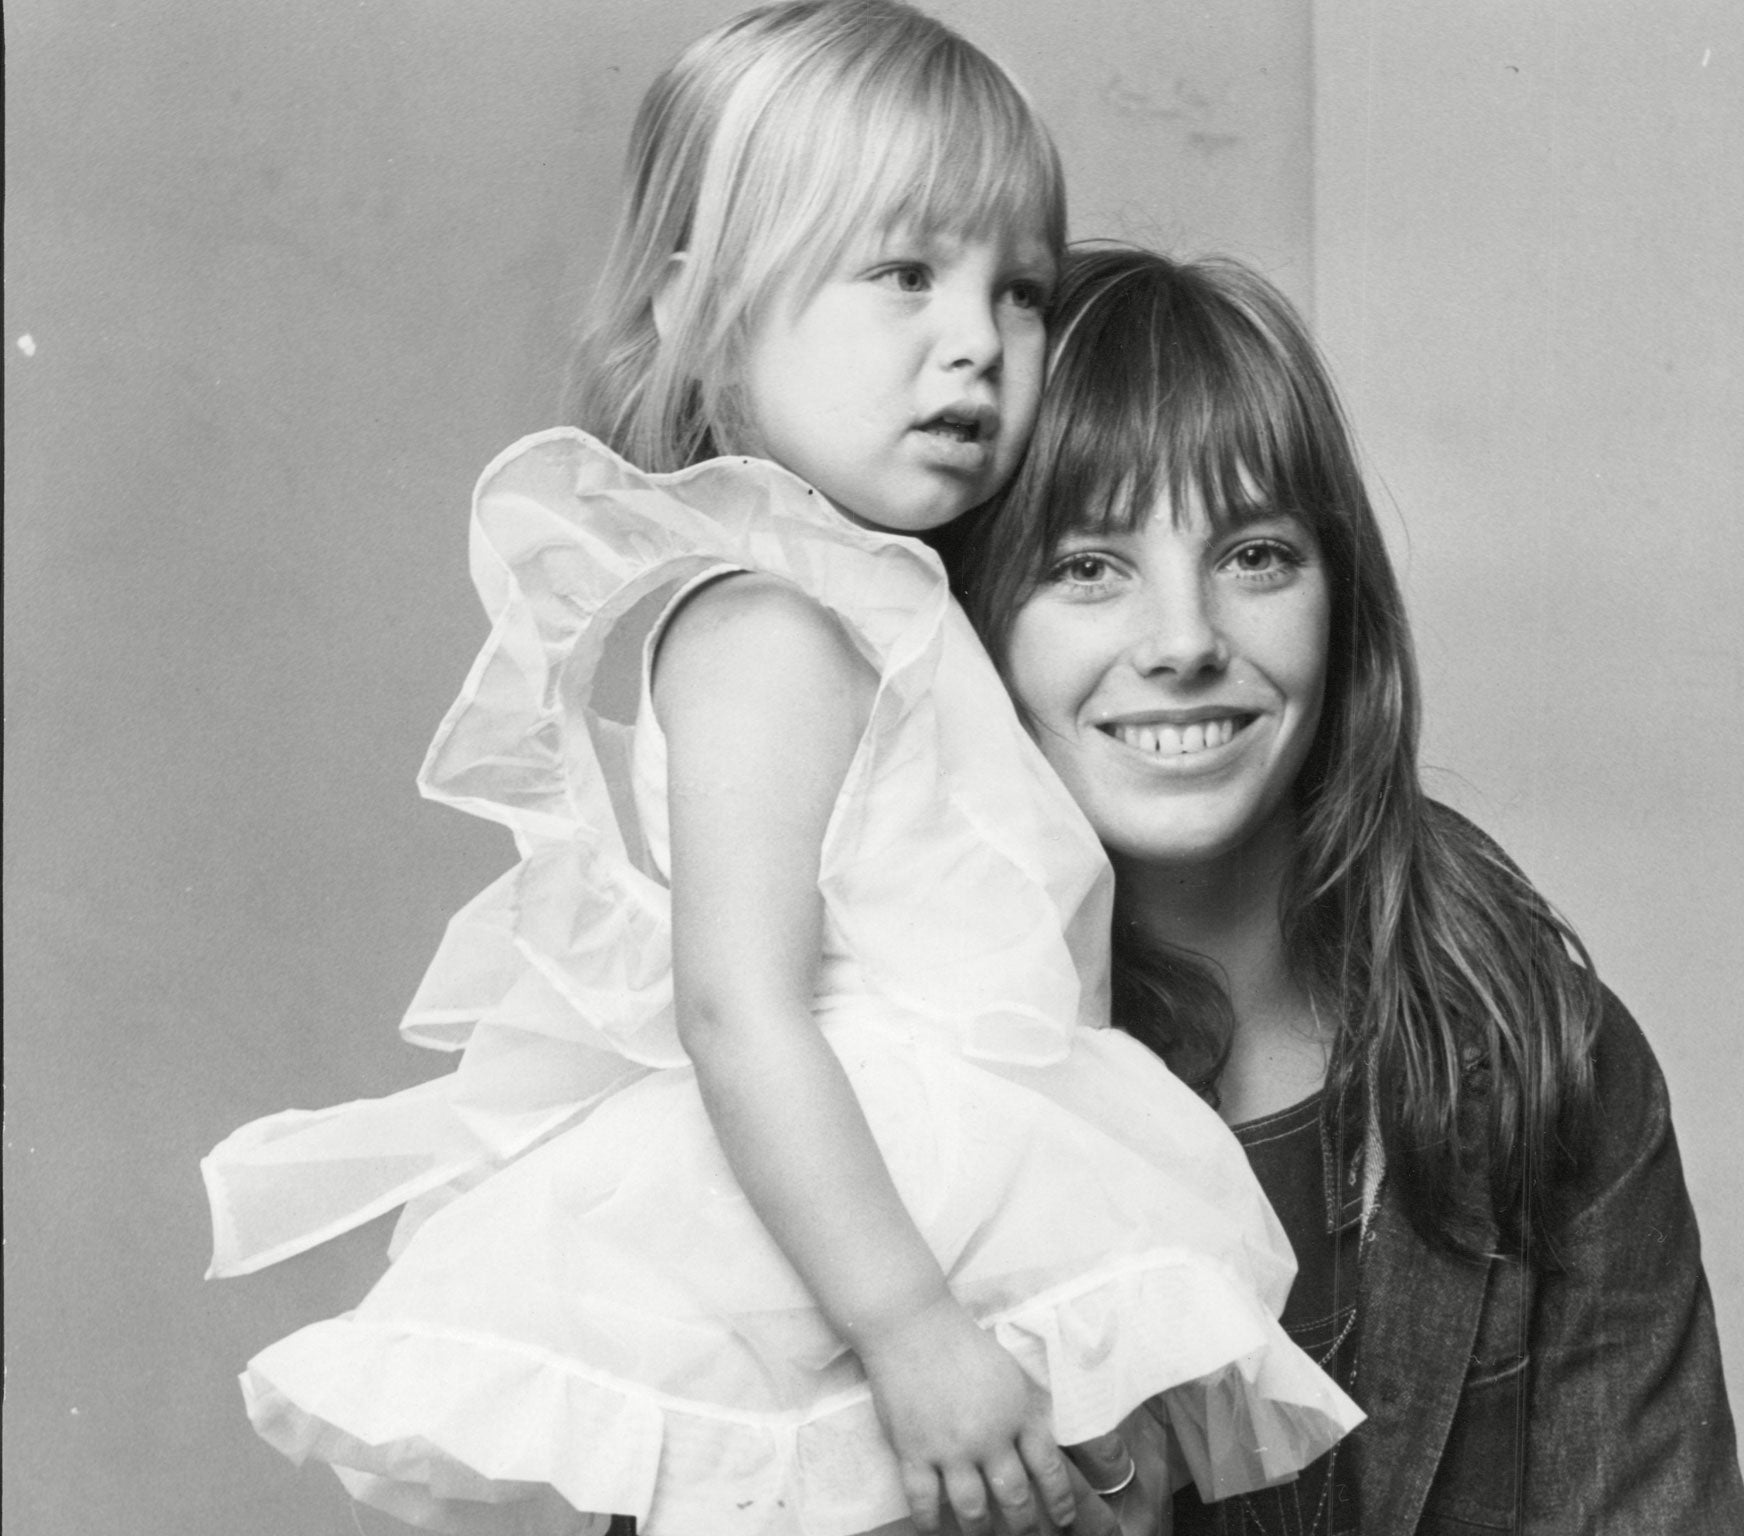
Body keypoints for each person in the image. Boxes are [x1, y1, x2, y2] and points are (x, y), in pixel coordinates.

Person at [198, 10, 1360, 1536]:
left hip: (951, 1197)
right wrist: (913, 1334)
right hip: (859, 1242)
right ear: (703, 308)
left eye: (1017, 290)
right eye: (902, 275)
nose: (976, 342)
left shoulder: (869, 596)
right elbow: (735, 1007)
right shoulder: (768, 624)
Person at [951, 246, 1744, 1534]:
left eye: (1256, 554)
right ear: (967, 623)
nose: (1183, 641)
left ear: (1342, 601)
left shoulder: (1546, 1054)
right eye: (1086, 566)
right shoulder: (866, 1124)